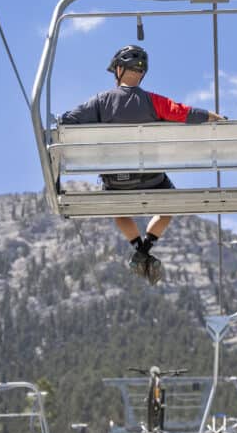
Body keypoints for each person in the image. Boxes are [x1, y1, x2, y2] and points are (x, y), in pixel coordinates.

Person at [60, 45, 224, 285]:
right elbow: (184, 113)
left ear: (118, 69)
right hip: (150, 178)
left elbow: (69, 120)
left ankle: (139, 249)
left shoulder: (101, 100)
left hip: (115, 180)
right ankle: (144, 250)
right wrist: (213, 116)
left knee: (119, 212)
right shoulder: (153, 101)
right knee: (169, 207)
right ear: (142, 73)